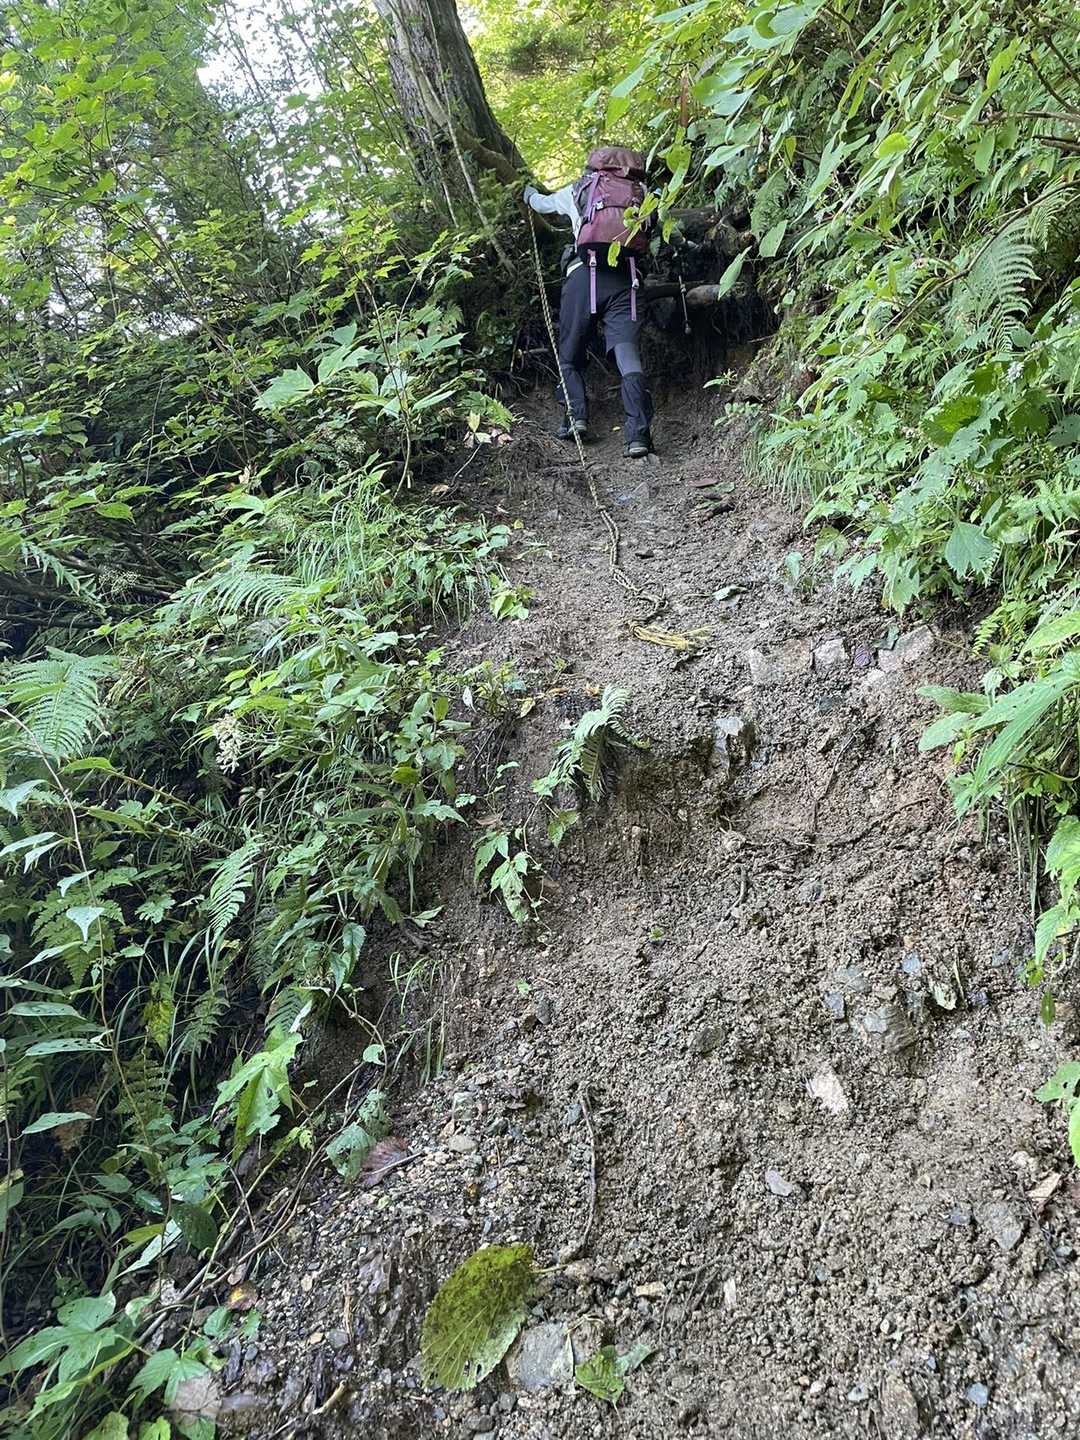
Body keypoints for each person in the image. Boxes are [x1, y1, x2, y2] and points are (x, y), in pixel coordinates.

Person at [524, 146, 655, 459]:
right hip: (626, 279)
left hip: (583, 277)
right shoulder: (643, 193)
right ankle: (638, 436)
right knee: (627, 355)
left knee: (569, 353)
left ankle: (576, 419)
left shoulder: (580, 189)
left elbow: (541, 204)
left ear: (593, 166)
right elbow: (659, 231)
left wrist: (527, 194)